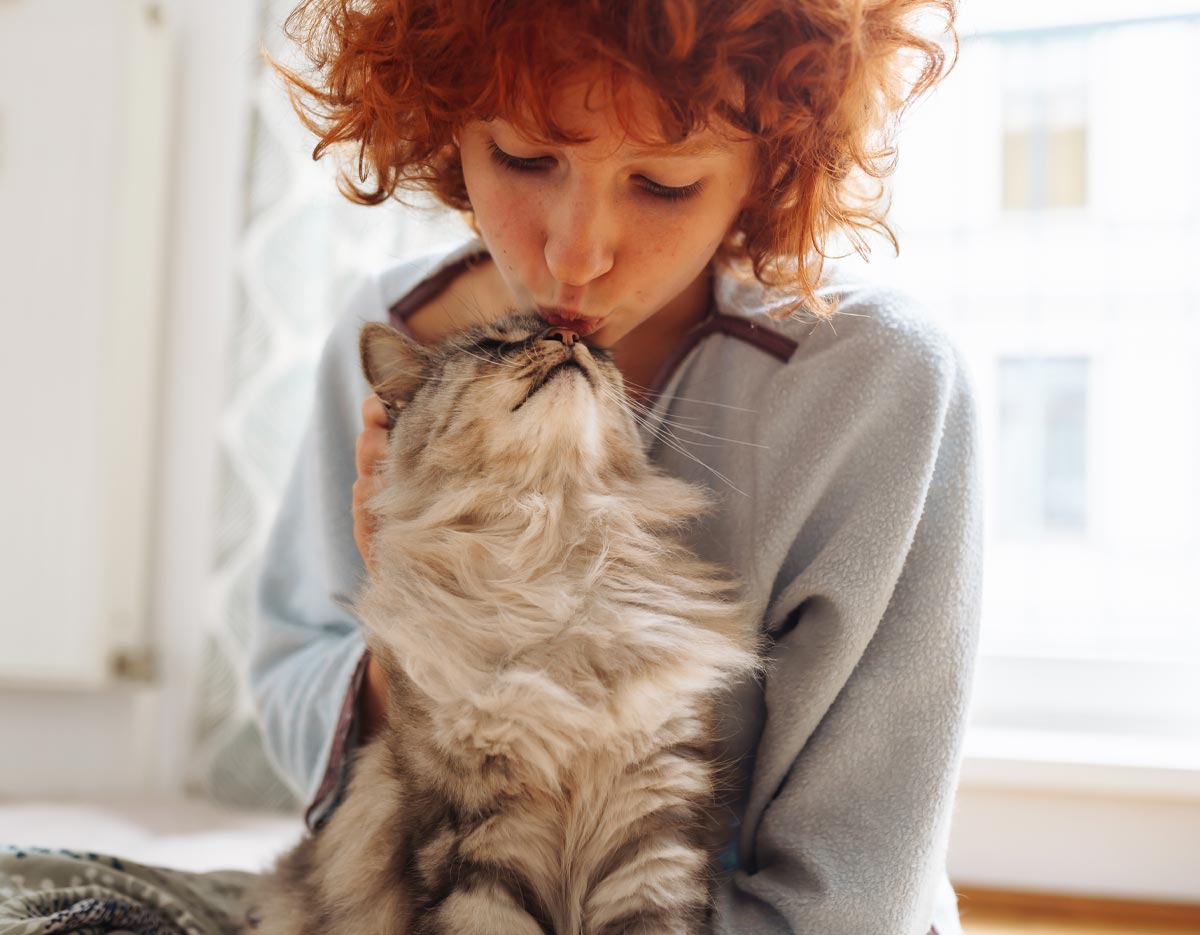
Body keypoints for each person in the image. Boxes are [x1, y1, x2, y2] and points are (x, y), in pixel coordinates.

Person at [0, 2, 980, 934]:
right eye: (522, 156)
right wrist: (424, 633)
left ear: (770, 170)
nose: (574, 253)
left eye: (664, 183)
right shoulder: (398, 331)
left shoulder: (875, 385)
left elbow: (856, 885)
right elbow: (296, 692)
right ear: (447, 126)